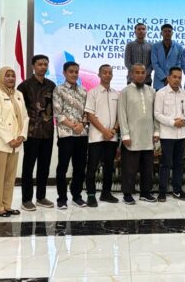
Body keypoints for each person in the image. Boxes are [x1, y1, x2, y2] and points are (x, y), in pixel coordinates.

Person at [0, 66, 29, 217]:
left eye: (13, 75)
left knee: (10, 177)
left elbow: (25, 117)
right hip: (1, 142)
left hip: (16, 143)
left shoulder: (18, 94)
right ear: (1, 77)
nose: (11, 78)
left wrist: (21, 136)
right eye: (7, 75)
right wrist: (9, 139)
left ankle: (7, 205)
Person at [17, 55, 56, 212]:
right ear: (33, 66)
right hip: (31, 132)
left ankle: (41, 197)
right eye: (40, 64)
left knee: (44, 166)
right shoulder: (24, 86)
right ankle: (26, 199)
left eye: (45, 64)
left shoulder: (51, 85)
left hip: (48, 132)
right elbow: (19, 110)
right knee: (28, 167)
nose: (43, 67)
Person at [119, 63, 160, 205]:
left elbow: (155, 114)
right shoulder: (125, 92)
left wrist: (156, 131)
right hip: (132, 136)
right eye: (137, 72)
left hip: (148, 136)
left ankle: (145, 193)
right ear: (131, 74)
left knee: (147, 168)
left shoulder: (152, 91)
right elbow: (122, 114)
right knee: (129, 168)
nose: (140, 75)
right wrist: (125, 135)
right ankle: (127, 194)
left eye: (143, 73)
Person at [53, 61, 89, 210]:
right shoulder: (58, 90)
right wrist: (74, 126)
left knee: (79, 167)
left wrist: (82, 124)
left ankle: (77, 196)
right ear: (64, 73)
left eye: (76, 72)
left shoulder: (83, 91)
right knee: (62, 167)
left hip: (82, 134)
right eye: (71, 71)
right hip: (66, 134)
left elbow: (87, 112)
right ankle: (62, 199)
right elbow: (58, 113)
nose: (74, 74)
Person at [84, 64, 120, 207]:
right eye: (104, 72)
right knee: (92, 167)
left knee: (109, 167)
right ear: (99, 75)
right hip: (96, 137)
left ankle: (106, 193)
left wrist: (114, 130)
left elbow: (120, 115)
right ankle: (91, 195)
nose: (107, 75)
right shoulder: (92, 93)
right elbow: (90, 115)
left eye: (110, 73)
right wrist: (104, 131)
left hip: (112, 137)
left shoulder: (117, 94)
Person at [154, 66, 185, 201]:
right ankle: (162, 192)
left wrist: (184, 120)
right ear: (169, 78)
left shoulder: (184, 94)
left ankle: (177, 190)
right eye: (174, 77)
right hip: (167, 134)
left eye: (179, 77)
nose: (177, 80)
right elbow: (157, 114)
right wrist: (172, 122)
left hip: (181, 134)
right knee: (165, 163)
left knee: (179, 163)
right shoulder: (161, 93)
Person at [151, 24, 183, 90]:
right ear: (161, 33)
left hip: (174, 81)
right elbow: (155, 64)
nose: (167, 33)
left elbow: (179, 64)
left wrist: (171, 78)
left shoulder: (179, 47)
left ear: (172, 33)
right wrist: (165, 78)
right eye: (165, 31)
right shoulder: (155, 46)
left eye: (169, 31)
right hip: (160, 81)